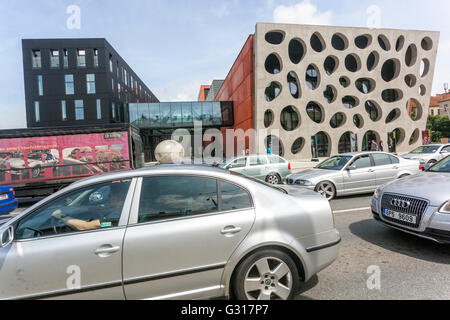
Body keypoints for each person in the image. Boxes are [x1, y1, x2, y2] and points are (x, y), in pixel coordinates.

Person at [51, 182, 127, 231]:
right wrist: (94, 210)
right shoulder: (125, 210)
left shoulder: (116, 216)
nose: (108, 198)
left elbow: (86, 226)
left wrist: (62, 216)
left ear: (117, 198)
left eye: (109, 196)